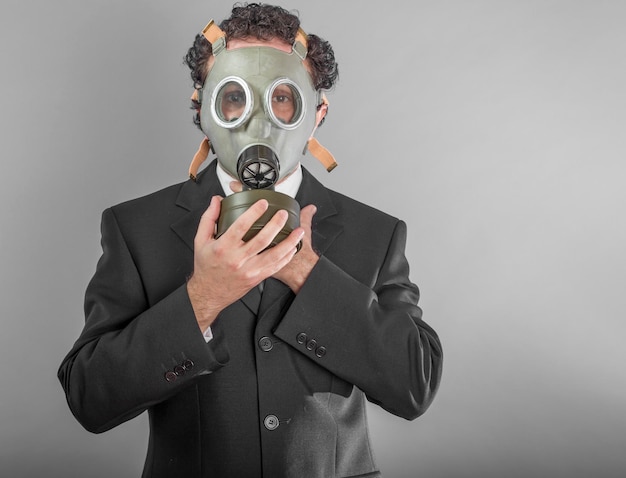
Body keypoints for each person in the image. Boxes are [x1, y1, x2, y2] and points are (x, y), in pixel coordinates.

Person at [58, 3, 443, 477]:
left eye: (283, 97)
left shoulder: (375, 234)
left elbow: (414, 386)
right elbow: (90, 398)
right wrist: (202, 298)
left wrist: (306, 272)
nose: (257, 120)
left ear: (316, 112)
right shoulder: (138, 229)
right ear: (201, 109)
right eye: (234, 98)